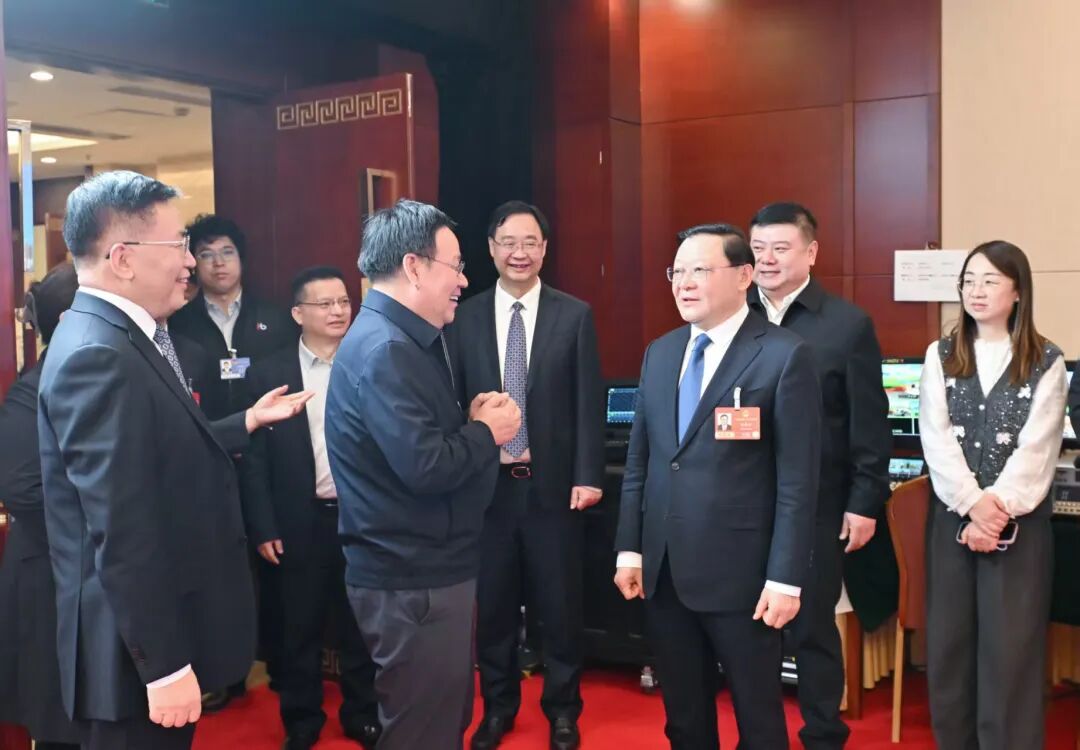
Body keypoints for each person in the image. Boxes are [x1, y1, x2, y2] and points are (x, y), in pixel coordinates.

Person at [37, 171, 311, 750]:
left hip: (144, 643)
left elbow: (153, 449)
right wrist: (162, 667)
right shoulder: (98, 354)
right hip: (133, 659)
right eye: (179, 246)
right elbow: (121, 529)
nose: (190, 262)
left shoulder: (122, 335)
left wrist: (244, 421)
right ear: (123, 259)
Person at [614, 223, 821, 749]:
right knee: (684, 719)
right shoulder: (660, 353)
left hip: (744, 578)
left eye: (700, 270)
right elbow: (642, 462)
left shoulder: (782, 355)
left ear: (744, 276)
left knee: (758, 718)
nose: (684, 283)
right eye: (677, 272)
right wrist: (630, 549)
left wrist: (785, 579)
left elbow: (797, 482)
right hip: (666, 569)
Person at [326, 199, 521, 750]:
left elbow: (414, 443)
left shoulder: (401, 338)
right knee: (423, 730)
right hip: (412, 578)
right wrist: (487, 432)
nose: (463, 280)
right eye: (455, 266)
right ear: (414, 267)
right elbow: (426, 466)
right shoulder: (386, 349)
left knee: (440, 719)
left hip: (424, 568)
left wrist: (470, 423)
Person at [448, 201, 604, 750]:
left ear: (545, 249)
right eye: (509, 242)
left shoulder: (574, 315)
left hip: (552, 487)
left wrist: (588, 474)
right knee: (492, 608)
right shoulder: (463, 317)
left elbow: (589, 402)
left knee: (559, 607)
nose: (520, 252)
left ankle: (563, 710)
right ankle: (498, 708)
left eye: (531, 242)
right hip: (486, 491)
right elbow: (452, 400)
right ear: (491, 248)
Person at [747, 202, 891, 749]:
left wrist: (864, 501)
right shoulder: (734, 316)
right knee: (749, 628)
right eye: (758, 248)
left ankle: (824, 734)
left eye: (780, 248)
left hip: (818, 503)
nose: (767, 259)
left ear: (811, 252)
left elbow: (868, 424)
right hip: (743, 500)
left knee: (811, 627)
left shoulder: (846, 325)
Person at [919, 241, 1066, 750]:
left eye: (990, 281)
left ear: (1018, 291)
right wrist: (972, 505)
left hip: (1019, 529)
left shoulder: (1046, 360)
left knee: (1010, 654)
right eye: (968, 281)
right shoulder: (940, 355)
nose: (976, 291)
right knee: (950, 650)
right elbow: (935, 437)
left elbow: (1039, 447)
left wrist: (996, 512)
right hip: (951, 523)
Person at [240, 266, 380, 750]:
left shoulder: (372, 360)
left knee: (361, 625)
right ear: (299, 313)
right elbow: (254, 461)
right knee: (298, 628)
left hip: (362, 518)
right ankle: (301, 721)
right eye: (325, 304)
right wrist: (263, 526)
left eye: (344, 301)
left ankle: (363, 714)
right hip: (299, 520)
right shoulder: (269, 373)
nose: (339, 311)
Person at [0, 263, 81, 750]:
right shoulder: (32, 391)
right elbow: (24, 491)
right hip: (51, 578)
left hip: (93, 578)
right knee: (61, 724)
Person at [168, 213, 297, 420]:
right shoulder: (177, 323)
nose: (219, 262)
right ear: (193, 264)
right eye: (206, 255)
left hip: (269, 429)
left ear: (241, 259)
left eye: (227, 252)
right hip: (208, 430)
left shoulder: (275, 319)